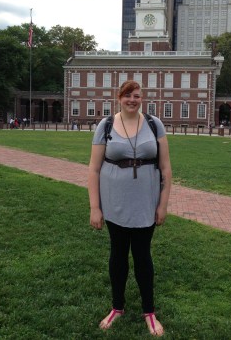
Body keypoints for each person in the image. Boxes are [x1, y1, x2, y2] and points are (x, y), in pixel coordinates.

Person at [88, 80, 172, 337]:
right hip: (114, 203)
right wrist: (95, 207)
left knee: (143, 257)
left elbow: (166, 168)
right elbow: (93, 168)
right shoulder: (106, 125)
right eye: (127, 96)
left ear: (141, 98)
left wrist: (163, 204)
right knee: (118, 256)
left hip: (146, 203)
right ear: (119, 98)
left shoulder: (154, 124)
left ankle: (149, 310)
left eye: (136, 96)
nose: (132, 100)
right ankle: (117, 307)